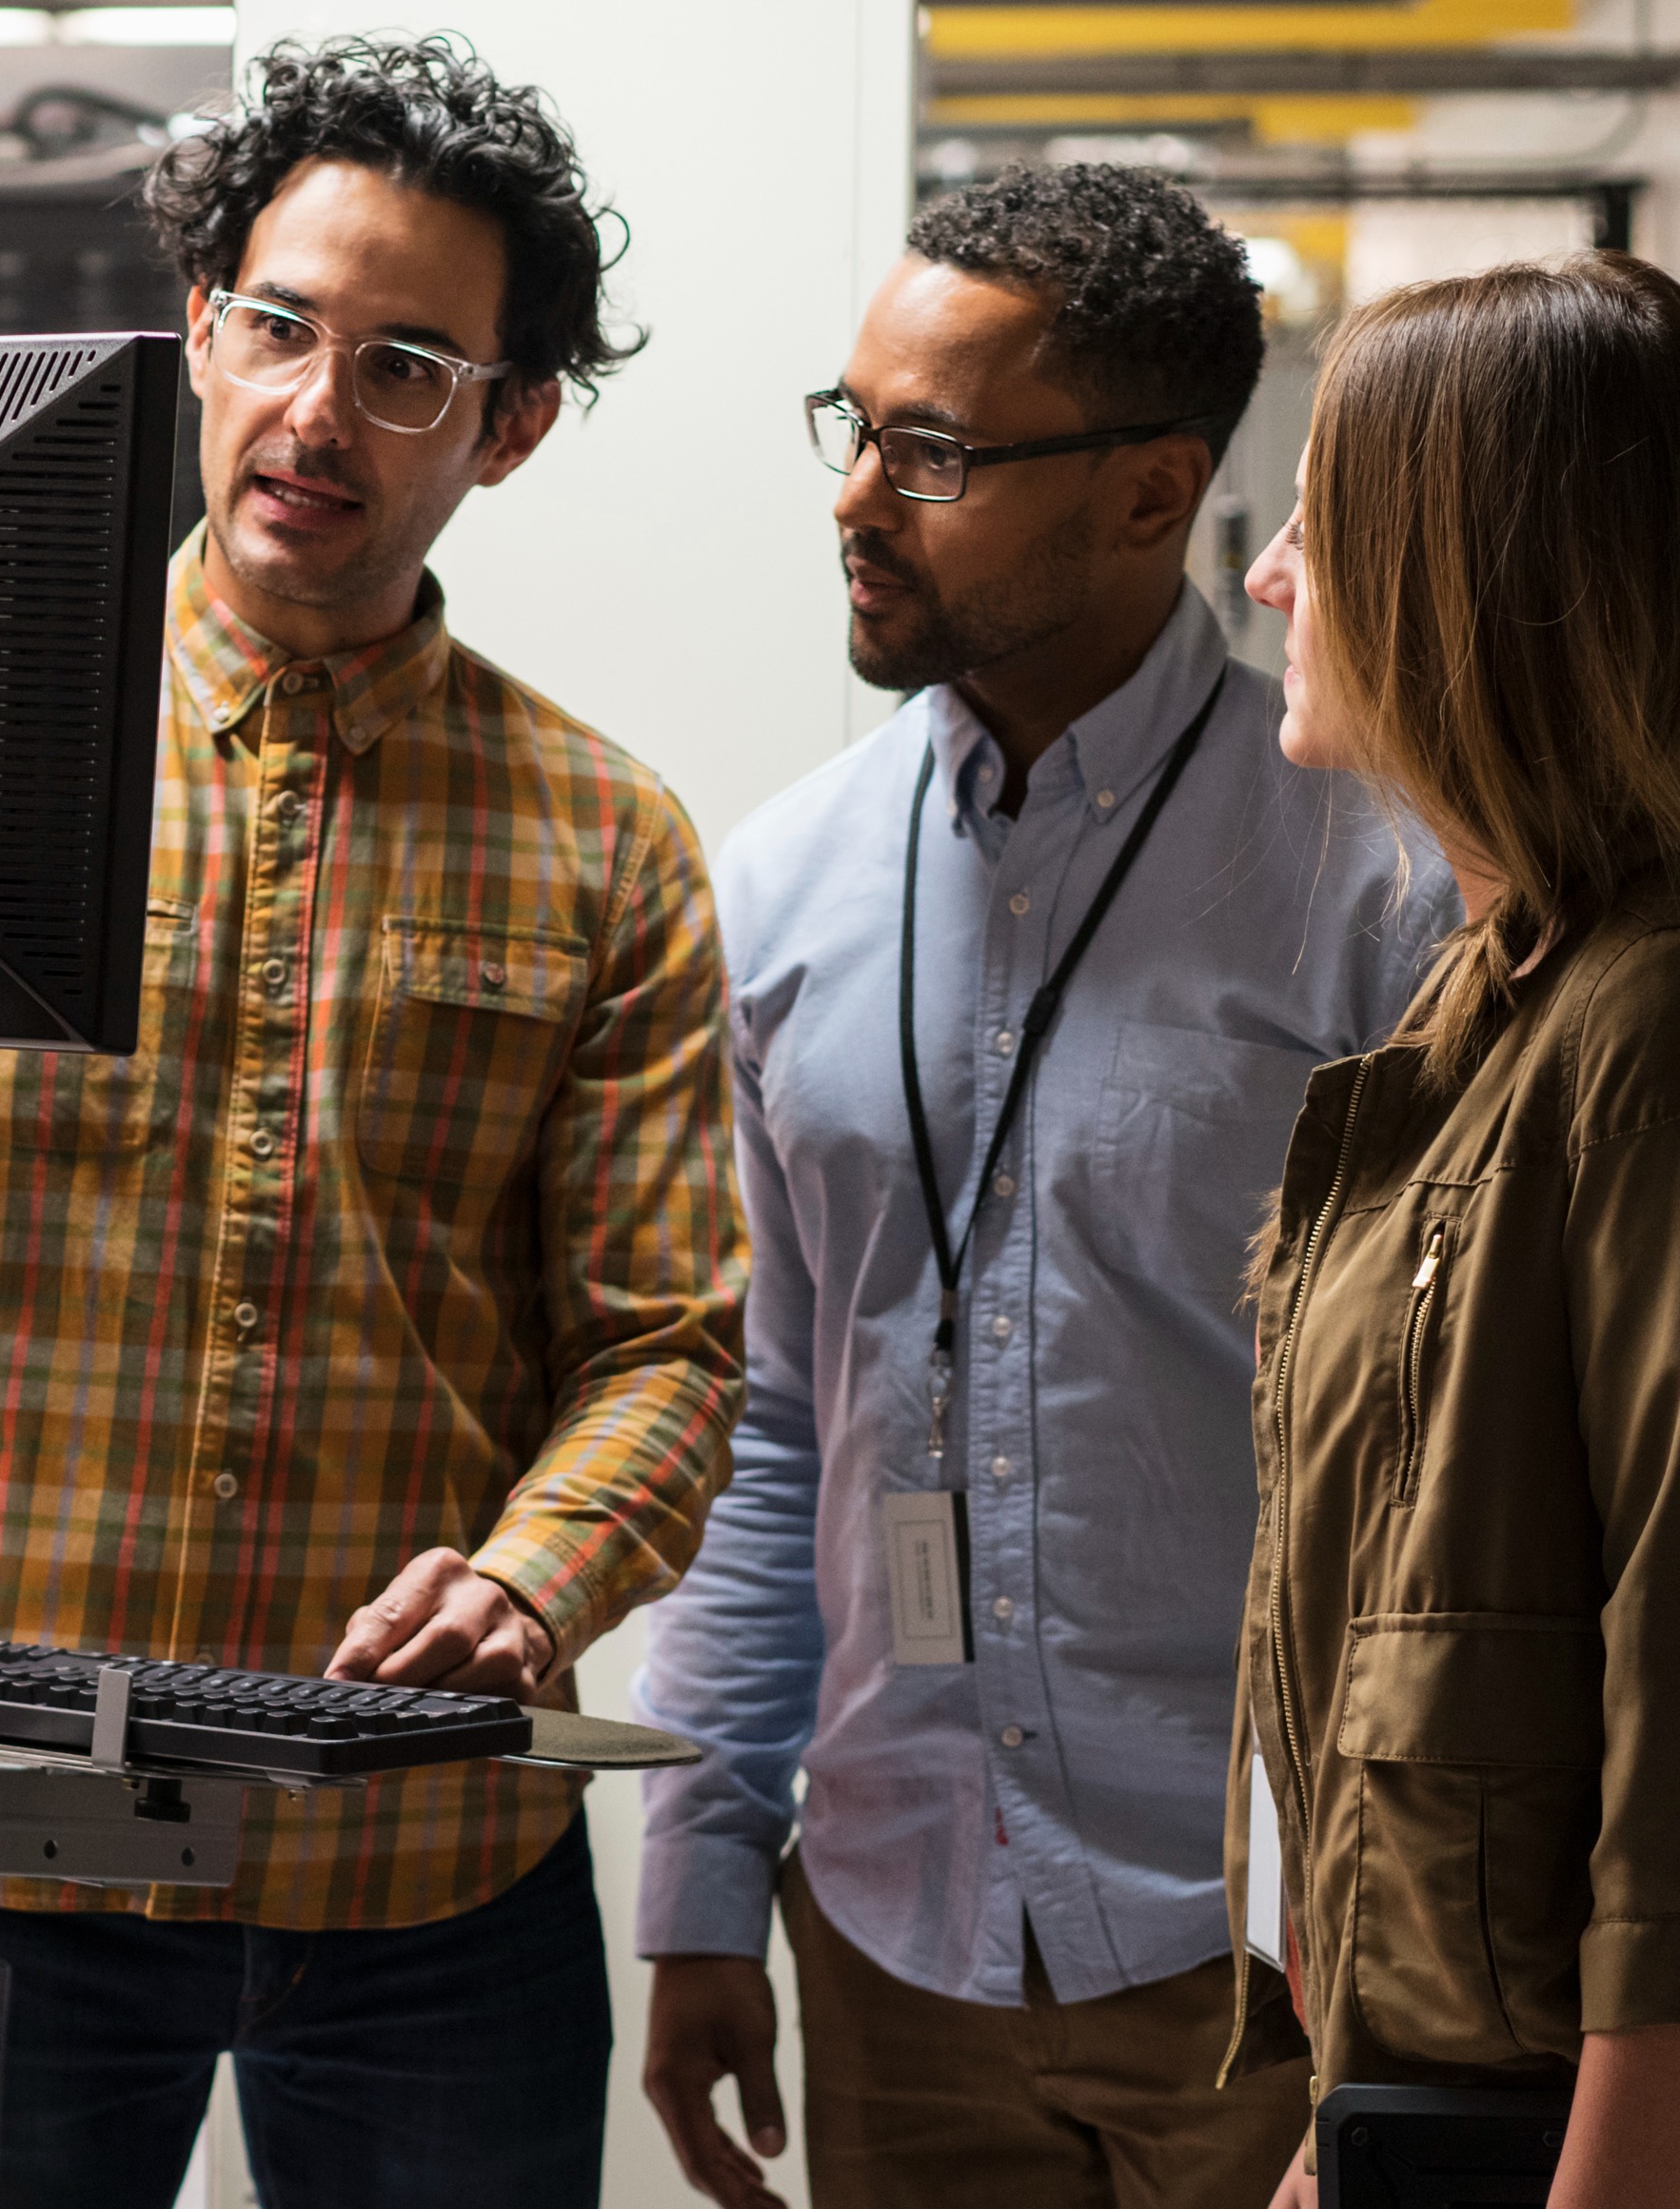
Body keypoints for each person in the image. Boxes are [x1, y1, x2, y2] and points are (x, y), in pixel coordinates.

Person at [0, 37, 741, 2206]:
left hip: (423, 1866)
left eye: (408, 365)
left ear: (510, 428)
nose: (317, 407)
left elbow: (666, 1346)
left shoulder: (606, 839)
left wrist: (532, 1579)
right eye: (277, 327)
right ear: (193, 332)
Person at [631, 166, 1454, 2209]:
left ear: (1147, 492)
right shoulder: (782, 887)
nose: (854, 500)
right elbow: (775, 1424)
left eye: (932, 454)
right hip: (899, 1945)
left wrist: (1416, 1986)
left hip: (1263, 1954)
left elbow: (1456, 1475)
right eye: (853, 429)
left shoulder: (1376, 884)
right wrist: (699, 1877)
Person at [1233, 250, 1680, 2209]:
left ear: (1454, 578)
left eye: (1317, 523)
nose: (1270, 577)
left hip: (1623, 2151)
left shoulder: (1679, 1032)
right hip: (1455, 2117)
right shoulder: (1505, 1006)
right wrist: (1332, 2136)